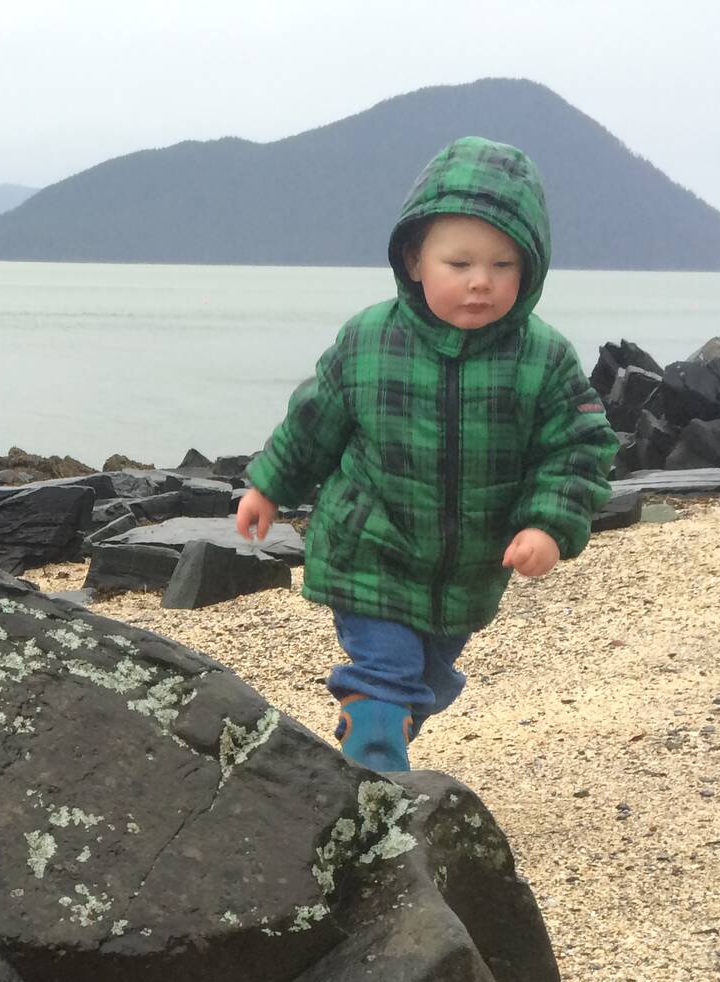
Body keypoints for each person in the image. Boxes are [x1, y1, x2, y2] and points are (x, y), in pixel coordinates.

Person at [234, 136, 617, 773]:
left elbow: (578, 449)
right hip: (371, 551)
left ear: (529, 271)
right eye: (459, 263)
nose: (480, 282)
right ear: (415, 260)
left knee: (428, 682)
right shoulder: (369, 340)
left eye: (502, 265)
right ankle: (377, 795)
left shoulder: (542, 357)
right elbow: (314, 420)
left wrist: (549, 525)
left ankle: (385, 724)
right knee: (386, 677)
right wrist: (269, 486)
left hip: (467, 569)